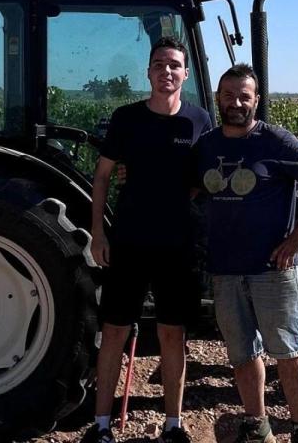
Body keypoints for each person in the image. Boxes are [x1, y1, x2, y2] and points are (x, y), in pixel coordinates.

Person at [192, 64, 298, 443]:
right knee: (242, 354)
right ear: (218, 99)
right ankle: (256, 421)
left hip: (272, 267)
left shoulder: (274, 141)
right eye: (228, 95)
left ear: (256, 100)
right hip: (224, 268)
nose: (236, 103)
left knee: (287, 350)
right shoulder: (207, 145)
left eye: (244, 96)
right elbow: (187, 187)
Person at [82, 36, 212, 443]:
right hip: (130, 241)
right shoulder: (127, 119)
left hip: (178, 245)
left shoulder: (199, 122)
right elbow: (102, 176)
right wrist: (99, 234)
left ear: (185, 74)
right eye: (159, 65)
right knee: (115, 330)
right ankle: (101, 425)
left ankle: (173, 426)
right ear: (149, 72)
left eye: (174, 65)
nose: (167, 72)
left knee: (174, 334)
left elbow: (204, 180)